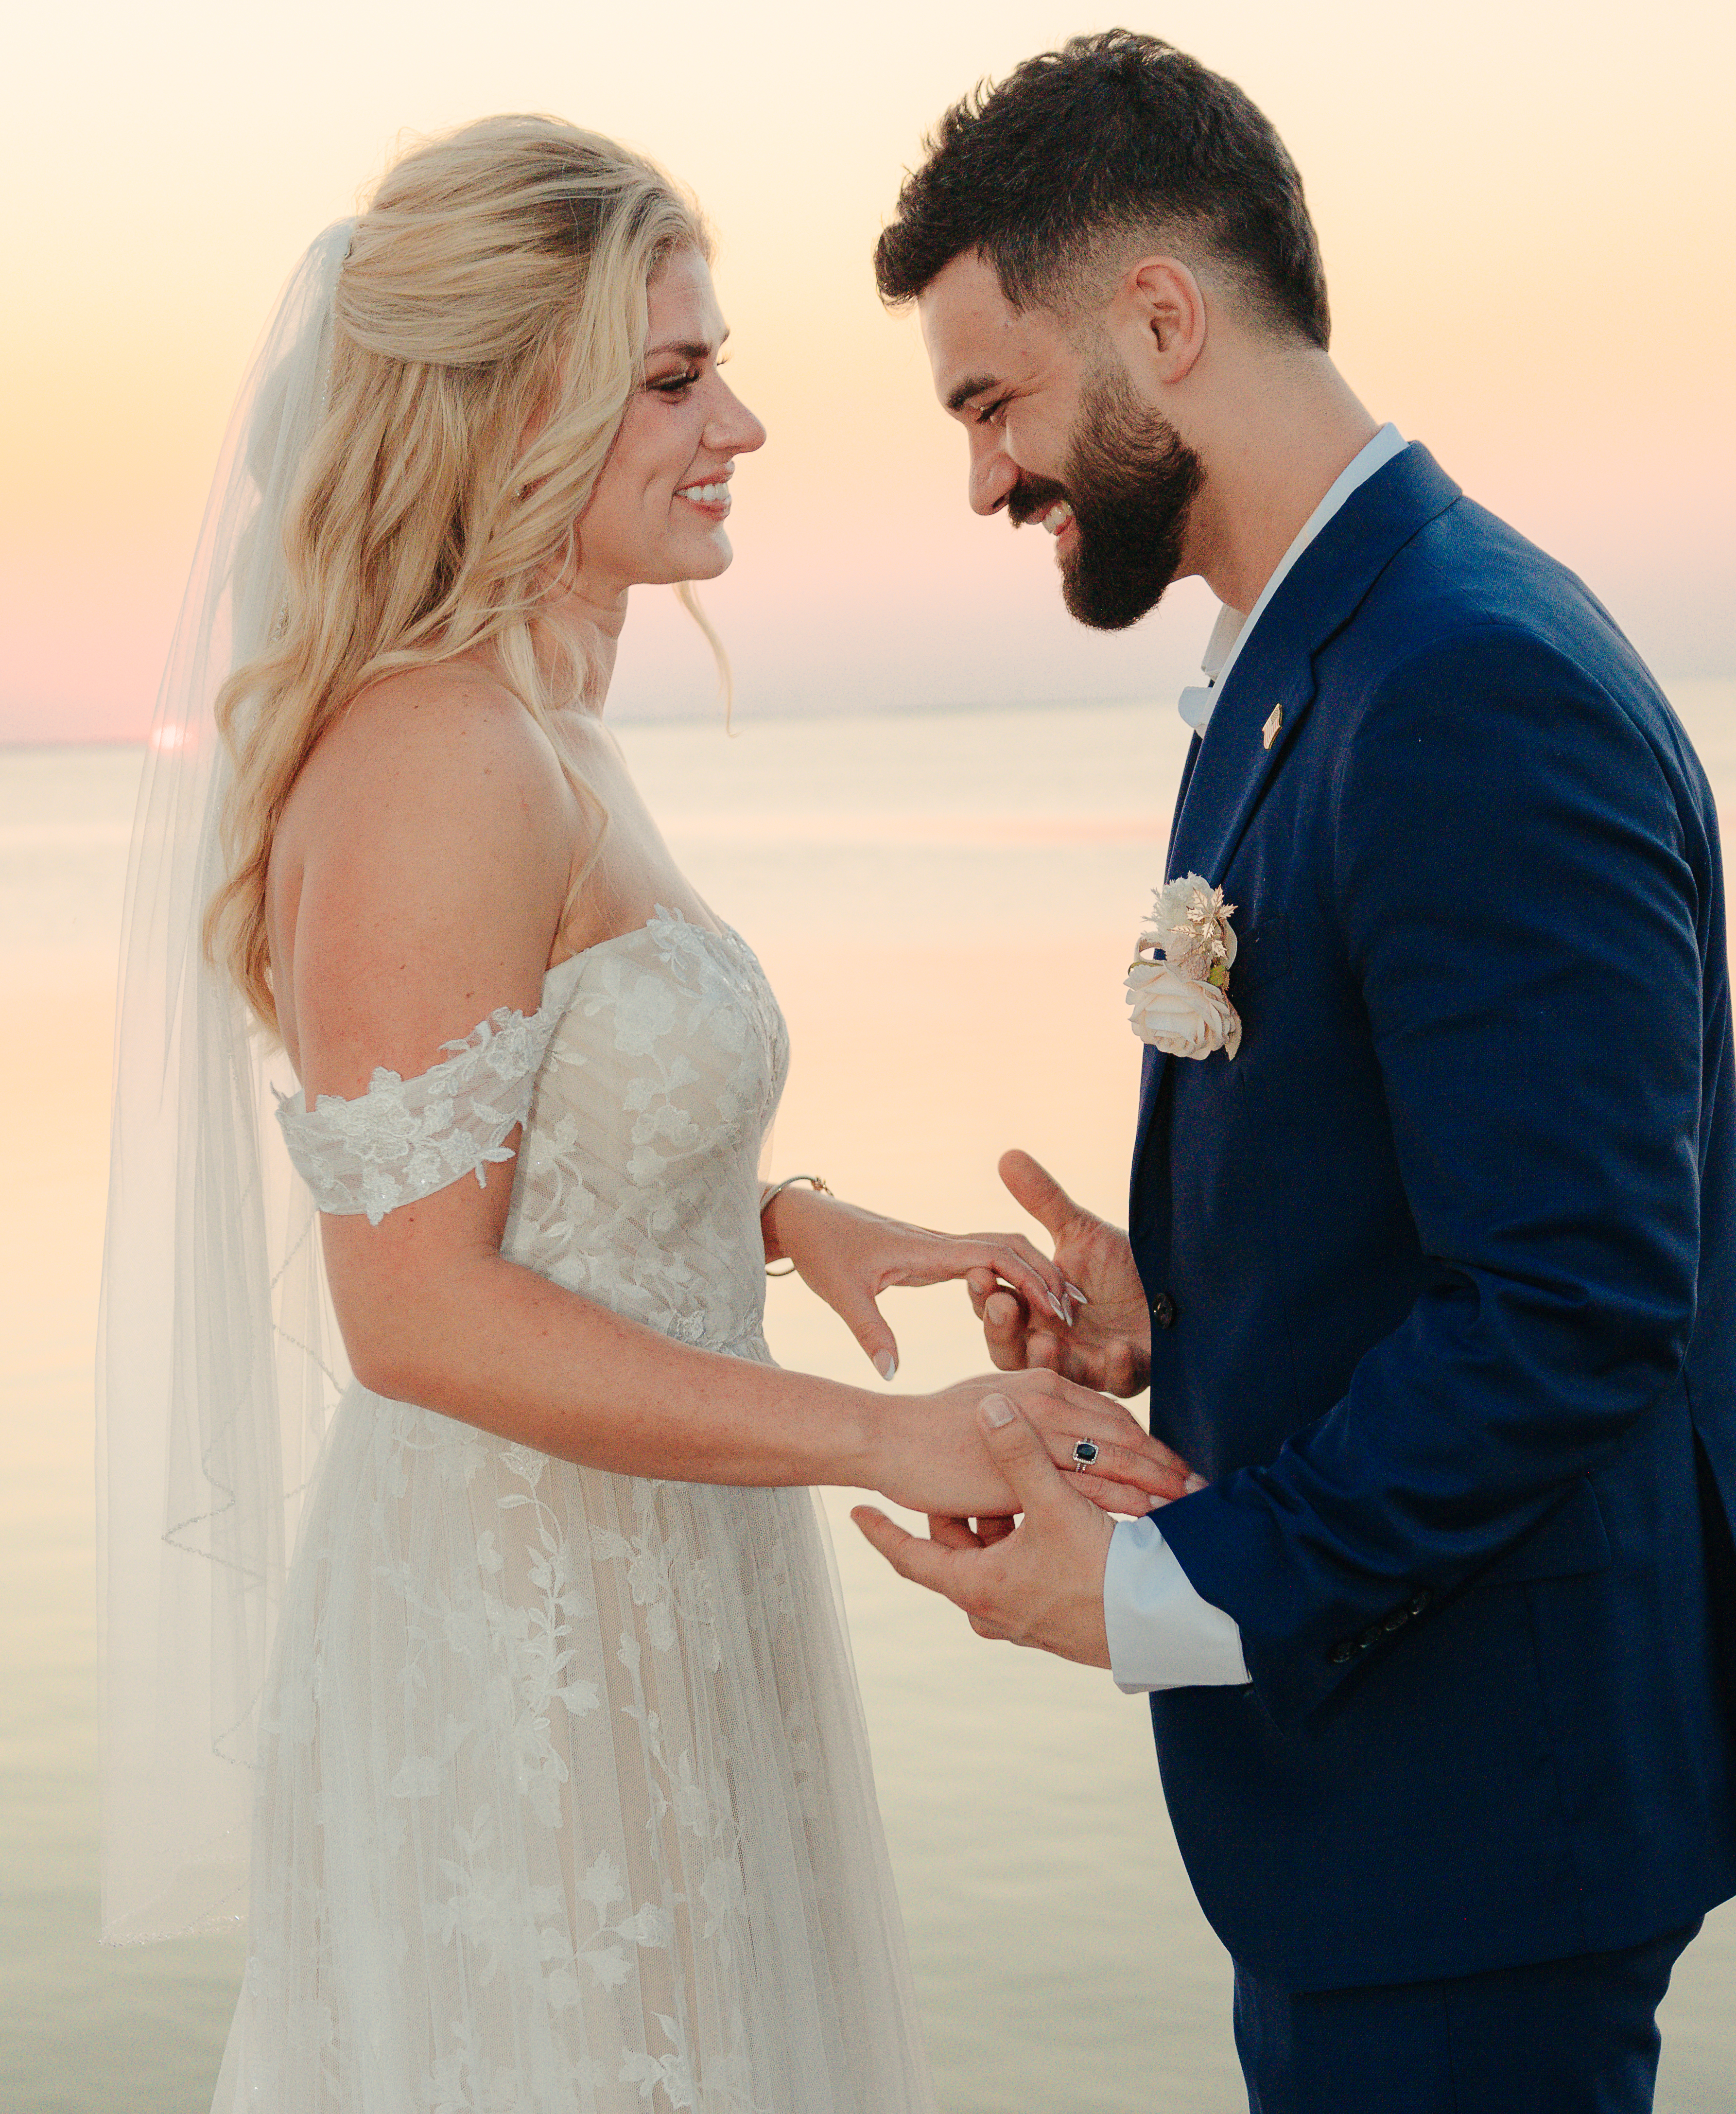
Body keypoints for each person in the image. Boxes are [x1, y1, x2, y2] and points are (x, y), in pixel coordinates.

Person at [95, 114, 1188, 2112]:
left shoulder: (543, 726)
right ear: (517, 406)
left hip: (659, 1575)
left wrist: (782, 1215)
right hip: (526, 1626)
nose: (742, 423)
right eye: (674, 375)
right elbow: (414, 1310)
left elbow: (527, 1132)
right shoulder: (433, 747)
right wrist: (887, 1429)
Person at [854, 33, 1736, 2113]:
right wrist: (1174, 1290)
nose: (982, 475)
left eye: (992, 399)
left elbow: (1573, 1297)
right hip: (1387, 1812)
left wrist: (1160, 1581)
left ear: (1157, 317)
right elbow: (1437, 1189)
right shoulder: (1320, 660)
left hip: (1475, 1819)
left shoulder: (1463, 680)